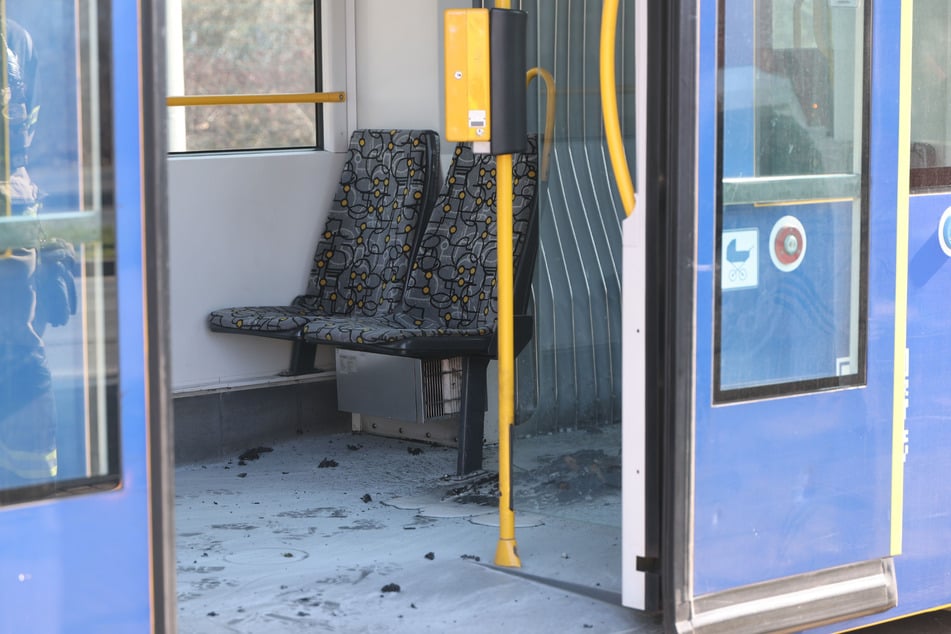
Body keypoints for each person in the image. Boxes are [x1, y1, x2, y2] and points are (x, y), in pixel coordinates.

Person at [0, 18, 57, 487]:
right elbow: (28, 130)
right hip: (13, 196)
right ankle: (32, 478)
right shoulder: (16, 35)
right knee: (17, 345)